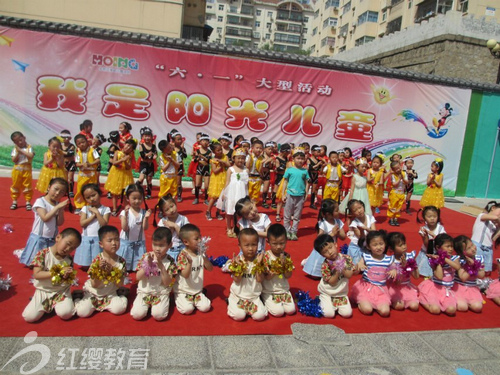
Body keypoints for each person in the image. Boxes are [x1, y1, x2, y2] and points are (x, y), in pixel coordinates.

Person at [22, 228, 81, 322]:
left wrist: (66, 276)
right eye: (68, 244)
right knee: (29, 317)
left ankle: (74, 298)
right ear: (58, 237)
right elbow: (37, 274)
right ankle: (42, 302)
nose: (68, 249)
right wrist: (58, 271)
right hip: (43, 290)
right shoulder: (43, 254)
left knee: (66, 314)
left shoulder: (68, 259)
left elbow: (68, 278)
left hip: (61, 291)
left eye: (73, 248)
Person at [75, 225, 128, 317]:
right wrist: (99, 271)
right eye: (109, 240)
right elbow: (94, 284)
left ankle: (123, 296)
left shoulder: (121, 261)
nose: (114, 243)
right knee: (82, 312)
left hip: (110, 293)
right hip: (94, 293)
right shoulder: (97, 260)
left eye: (116, 239)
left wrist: (112, 271)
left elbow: (119, 284)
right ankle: (77, 298)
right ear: (101, 244)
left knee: (119, 309)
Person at [130, 227, 177, 321]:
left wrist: (161, 266)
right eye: (155, 245)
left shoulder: (170, 261)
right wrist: (147, 265)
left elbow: (168, 283)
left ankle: (164, 301)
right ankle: (146, 305)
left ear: (170, 245)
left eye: (161, 245)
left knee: (159, 316)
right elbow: (138, 277)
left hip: (160, 292)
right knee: (137, 315)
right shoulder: (146, 256)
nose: (157, 249)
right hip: (144, 291)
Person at [20, 178, 68, 266]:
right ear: (49, 187)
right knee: (35, 261)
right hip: (39, 236)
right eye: (56, 189)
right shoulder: (41, 201)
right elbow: (45, 218)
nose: (57, 193)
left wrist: (61, 211)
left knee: (46, 261)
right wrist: (57, 208)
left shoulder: (57, 204)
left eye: (61, 192)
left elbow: (59, 223)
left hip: (51, 237)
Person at [224, 228, 268, 321]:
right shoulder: (237, 260)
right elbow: (237, 279)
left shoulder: (260, 260)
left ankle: (254, 306)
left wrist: (259, 264)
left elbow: (260, 279)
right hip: (238, 296)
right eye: (247, 245)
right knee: (239, 316)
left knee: (260, 316)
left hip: (254, 297)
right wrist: (239, 267)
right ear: (239, 246)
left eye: (254, 245)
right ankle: (230, 301)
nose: (251, 248)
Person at [351, 230, 396, 317]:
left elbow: (394, 267)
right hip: (366, 288)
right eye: (375, 245)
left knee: (385, 312)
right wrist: (359, 265)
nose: (378, 247)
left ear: (385, 244)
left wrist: (394, 270)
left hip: (381, 290)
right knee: (367, 310)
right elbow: (359, 265)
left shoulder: (389, 259)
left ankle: (377, 305)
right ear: (368, 246)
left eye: (381, 244)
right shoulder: (366, 257)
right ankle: (361, 303)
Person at [173, 224, 213, 314]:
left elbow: (210, 269)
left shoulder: (200, 253)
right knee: (187, 310)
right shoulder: (183, 255)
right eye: (196, 239)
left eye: (200, 237)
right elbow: (185, 275)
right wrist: (190, 263)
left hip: (197, 290)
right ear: (186, 242)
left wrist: (204, 256)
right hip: (183, 290)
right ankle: (178, 296)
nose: (200, 241)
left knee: (206, 307)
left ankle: (197, 297)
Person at [418, 233, 461, 315]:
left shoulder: (454, 258)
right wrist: (438, 262)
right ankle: (423, 299)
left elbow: (457, 267)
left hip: (447, 290)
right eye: (447, 246)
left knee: (451, 310)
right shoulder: (434, 260)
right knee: (435, 310)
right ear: (438, 248)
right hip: (434, 288)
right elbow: (440, 276)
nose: (451, 249)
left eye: (451, 246)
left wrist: (444, 259)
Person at [302, 199, 346, 278]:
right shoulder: (323, 223)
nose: (338, 212)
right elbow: (319, 239)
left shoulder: (338, 222)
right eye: (336, 210)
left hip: (332, 249)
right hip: (323, 250)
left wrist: (338, 233)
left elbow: (343, 237)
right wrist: (332, 234)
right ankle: (309, 264)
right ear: (328, 214)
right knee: (316, 275)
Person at [314, 234, 354, 318]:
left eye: (330, 247)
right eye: (325, 251)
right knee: (329, 314)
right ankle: (322, 298)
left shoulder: (347, 258)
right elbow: (332, 282)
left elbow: (349, 275)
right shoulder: (325, 265)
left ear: (335, 244)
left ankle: (334, 303)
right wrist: (336, 271)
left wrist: (341, 267)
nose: (330, 252)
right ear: (322, 255)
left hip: (341, 293)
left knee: (347, 314)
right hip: (327, 292)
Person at [261, 224, 295, 317]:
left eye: (282, 243)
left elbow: (288, 275)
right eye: (275, 244)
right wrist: (275, 269)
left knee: (291, 310)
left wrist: (284, 265)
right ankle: (263, 299)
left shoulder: (287, 256)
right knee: (278, 312)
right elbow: (267, 277)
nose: (279, 247)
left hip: (283, 290)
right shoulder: (266, 256)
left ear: (286, 241)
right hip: (269, 290)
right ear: (268, 242)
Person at [74, 183, 111, 268]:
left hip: (98, 238)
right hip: (86, 237)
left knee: (98, 259)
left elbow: (104, 224)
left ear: (99, 193)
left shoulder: (106, 209)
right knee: (86, 258)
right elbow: (82, 223)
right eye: (88, 197)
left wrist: (97, 213)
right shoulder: (85, 209)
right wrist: (92, 216)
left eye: (93, 195)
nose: (92, 199)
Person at [118, 184, 152, 271]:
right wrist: (125, 216)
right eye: (134, 198)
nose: (137, 201)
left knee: (139, 266)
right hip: (126, 241)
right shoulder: (124, 212)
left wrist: (146, 218)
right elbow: (124, 228)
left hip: (139, 242)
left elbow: (145, 228)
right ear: (127, 198)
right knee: (123, 266)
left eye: (140, 198)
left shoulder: (143, 212)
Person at [217, 148, 249, 238]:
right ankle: (228, 227)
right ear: (234, 158)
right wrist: (224, 193)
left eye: (242, 158)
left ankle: (237, 227)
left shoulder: (246, 170)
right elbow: (227, 182)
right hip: (231, 193)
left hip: (242, 193)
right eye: (238, 158)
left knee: (240, 211)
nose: (240, 160)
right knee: (229, 211)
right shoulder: (230, 169)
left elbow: (247, 184)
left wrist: (248, 195)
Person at [386, 232, 419, 312]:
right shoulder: (390, 260)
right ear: (391, 248)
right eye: (400, 245)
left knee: (414, 306)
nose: (404, 247)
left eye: (404, 244)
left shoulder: (410, 257)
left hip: (407, 287)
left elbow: (416, 276)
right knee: (399, 306)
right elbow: (388, 278)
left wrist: (407, 266)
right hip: (394, 288)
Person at [282, 147, 310, 241]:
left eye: (302, 158)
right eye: (298, 158)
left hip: (300, 195)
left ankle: (294, 231)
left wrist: (306, 194)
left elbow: (307, 183)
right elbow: (285, 182)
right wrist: (283, 194)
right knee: (287, 215)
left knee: (297, 216)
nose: (300, 160)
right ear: (293, 159)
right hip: (290, 194)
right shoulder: (289, 170)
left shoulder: (305, 171)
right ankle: (286, 231)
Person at [452, 235, 485, 313]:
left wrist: (475, 266)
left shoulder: (479, 258)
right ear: (462, 252)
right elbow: (463, 278)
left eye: (472, 245)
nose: (473, 249)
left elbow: (482, 275)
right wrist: (470, 266)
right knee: (462, 307)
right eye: (469, 248)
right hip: (459, 287)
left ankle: (468, 302)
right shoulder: (458, 260)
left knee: (477, 307)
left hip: (472, 288)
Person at [105, 138, 137, 215]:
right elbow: (114, 163)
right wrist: (123, 159)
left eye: (131, 147)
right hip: (116, 174)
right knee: (115, 193)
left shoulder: (130, 155)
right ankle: (115, 209)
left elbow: (128, 167)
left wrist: (126, 161)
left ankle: (126, 208)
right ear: (124, 144)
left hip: (126, 175)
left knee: (125, 193)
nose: (128, 148)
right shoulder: (117, 152)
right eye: (128, 145)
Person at [155, 195, 189, 262]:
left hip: (183, 249)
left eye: (172, 206)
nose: (171, 210)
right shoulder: (163, 222)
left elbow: (186, 237)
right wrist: (170, 230)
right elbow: (161, 239)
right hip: (168, 250)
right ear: (163, 212)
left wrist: (175, 226)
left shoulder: (183, 219)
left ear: (175, 203)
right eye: (167, 210)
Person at [416, 206, 446, 277]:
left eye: (435, 216)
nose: (432, 219)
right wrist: (426, 236)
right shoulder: (423, 229)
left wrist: (433, 235)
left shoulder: (440, 228)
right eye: (429, 217)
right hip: (427, 253)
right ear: (424, 218)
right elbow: (426, 244)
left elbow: (443, 241)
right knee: (426, 274)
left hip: (437, 253)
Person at [73, 134, 100, 213]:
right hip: (82, 175)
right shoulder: (78, 152)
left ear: (87, 142)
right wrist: (82, 164)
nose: (82, 144)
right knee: (80, 190)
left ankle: (91, 205)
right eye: (79, 143)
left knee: (92, 191)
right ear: (77, 145)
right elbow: (77, 163)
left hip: (91, 174)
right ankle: (79, 205)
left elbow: (98, 160)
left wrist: (90, 164)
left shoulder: (92, 150)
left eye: (83, 142)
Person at [470, 201, 499, 274]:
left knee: (487, 271)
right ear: (493, 208)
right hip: (477, 245)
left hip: (488, 248)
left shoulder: (494, 225)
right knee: (477, 268)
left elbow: (494, 238)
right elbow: (494, 217)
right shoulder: (482, 215)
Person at [346, 199, 376, 265]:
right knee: (356, 267)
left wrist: (366, 229)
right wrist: (362, 231)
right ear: (352, 213)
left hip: (368, 245)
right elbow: (361, 238)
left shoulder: (370, 218)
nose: (359, 211)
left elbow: (374, 233)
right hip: (358, 246)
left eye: (360, 208)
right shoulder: (354, 223)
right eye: (355, 210)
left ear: (363, 206)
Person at [10, 131, 34, 211]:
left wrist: (21, 150)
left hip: (27, 169)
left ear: (24, 137)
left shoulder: (29, 147)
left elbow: (30, 156)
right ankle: (14, 201)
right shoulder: (15, 149)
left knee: (27, 185)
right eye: (16, 142)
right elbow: (14, 160)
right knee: (15, 185)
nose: (19, 142)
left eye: (20, 140)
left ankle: (28, 202)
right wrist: (18, 152)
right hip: (17, 169)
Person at [206, 140, 230, 221]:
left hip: (224, 178)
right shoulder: (213, 160)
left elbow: (229, 165)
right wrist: (221, 166)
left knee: (222, 197)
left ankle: (218, 212)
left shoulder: (225, 157)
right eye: (218, 150)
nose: (220, 151)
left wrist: (223, 162)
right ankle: (208, 211)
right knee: (214, 197)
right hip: (216, 179)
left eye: (221, 149)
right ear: (213, 152)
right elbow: (215, 171)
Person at [136, 127, 157, 200]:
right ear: (142, 137)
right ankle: (136, 190)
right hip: (143, 164)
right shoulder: (141, 146)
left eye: (148, 136)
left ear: (151, 137)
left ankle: (149, 194)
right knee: (141, 178)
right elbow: (143, 156)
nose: (147, 138)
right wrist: (148, 154)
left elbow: (155, 153)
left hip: (150, 165)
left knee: (149, 180)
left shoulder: (153, 146)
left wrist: (154, 156)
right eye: (145, 136)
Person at [272, 143, 291, 219]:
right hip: (280, 176)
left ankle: (281, 203)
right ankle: (273, 203)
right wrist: (284, 167)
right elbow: (277, 168)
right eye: (287, 152)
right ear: (283, 151)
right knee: (276, 190)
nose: (288, 153)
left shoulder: (286, 158)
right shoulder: (278, 158)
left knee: (283, 191)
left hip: (285, 176)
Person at [387, 160, 408, 226]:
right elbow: (394, 184)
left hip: (401, 193)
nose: (398, 170)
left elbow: (407, 182)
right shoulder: (393, 175)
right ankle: (391, 218)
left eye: (399, 168)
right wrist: (399, 179)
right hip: (394, 193)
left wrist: (403, 178)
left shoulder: (404, 173)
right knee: (393, 206)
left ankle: (396, 219)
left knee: (399, 207)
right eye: (396, 169)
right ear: (393, 170)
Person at [193, 133, 211, 205]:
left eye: (207, 140)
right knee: (197, 184)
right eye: (203, 140)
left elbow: (208, 161)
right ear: (200, 142)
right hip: (199, 169)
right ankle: (196, 198)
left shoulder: (209, 152)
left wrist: (201, 157)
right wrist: (198, 158)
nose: (205, 142)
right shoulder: (198, 151)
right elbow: (195, 160)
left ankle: (206, 199)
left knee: (206, 185)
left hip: (206, 169)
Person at [171, 130, 187, 202]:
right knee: (172, 182)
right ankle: (172, 194)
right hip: (172, 167)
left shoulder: (182, 148)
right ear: (174, 140)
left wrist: (183, 149)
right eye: (178, 139)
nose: (180, 141)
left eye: (181, 139)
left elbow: (185, 156)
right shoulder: (170, 148)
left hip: (179, 167)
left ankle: (179, 195)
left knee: (178, 183)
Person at [247, 139, 264, 204]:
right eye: (257, 148)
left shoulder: (261, 158)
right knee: (248, 193)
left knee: (255, 194)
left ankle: (253, 206)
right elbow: (247, 166)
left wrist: (262, 163)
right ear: (252, 148)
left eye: (260, 148)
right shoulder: (249, 156)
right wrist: (250, 157)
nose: (258, 150)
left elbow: (260, 171)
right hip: (249, 177)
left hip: (257, 178)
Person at [307, 145, 325, 209]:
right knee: (306, 190)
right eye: (317, 151)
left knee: (313, 190)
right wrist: (318, 164)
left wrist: (322, 166)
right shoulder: (309, 159)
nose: (318, 153)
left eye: (319, 151)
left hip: (316, 175)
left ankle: (312, 203)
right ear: (312, 152)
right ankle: (302, 201)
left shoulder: (318, 160)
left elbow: (320, 171)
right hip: (309, 175)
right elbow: (309, 168)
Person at [60, 130, 76, 198]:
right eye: (62, 137)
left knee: (70, 178)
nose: (64, 139)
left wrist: (60, 151)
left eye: (66, 137)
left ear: (69, 138)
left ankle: (71, 191)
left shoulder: (72, 146)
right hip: (63, 163)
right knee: (64, 178)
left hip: (71, 163)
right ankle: (65, 190)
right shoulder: (60, 146)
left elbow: (69, 153)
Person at [260, 141, 275, 209]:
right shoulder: (261, 156)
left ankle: (264, 201)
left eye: (271, 149)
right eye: (269, 149)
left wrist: (271, 162)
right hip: (260, 173)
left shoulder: (271, 157)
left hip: (267, 173)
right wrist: (266, 160)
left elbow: (271, 166)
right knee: (256, 188)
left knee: (265, 189)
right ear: (265, 149)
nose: (270, 150)